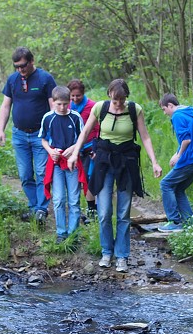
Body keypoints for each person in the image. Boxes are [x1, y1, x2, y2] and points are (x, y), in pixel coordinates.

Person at [67, 79, 162, 273]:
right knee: (103, 213)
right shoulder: (100, 108)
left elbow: (145, 136)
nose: (117, 104)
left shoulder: (135, 110)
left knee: (123, 213)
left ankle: (122, 256)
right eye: (114, 100)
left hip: (126, 161)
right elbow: (85, 132)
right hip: (104, 161)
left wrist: (154, 161)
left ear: (126, 97)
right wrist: (75, 153)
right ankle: (106, 252)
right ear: (109, 95)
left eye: (121, 100)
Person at [0, 47, 56, 224]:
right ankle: (34, 207)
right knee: (24, 175)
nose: (20, 70)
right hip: (19, 135)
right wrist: (1, 129)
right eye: (17, 66)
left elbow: (53, 107)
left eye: (23, 65)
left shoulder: (45, 78)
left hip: (40, 136)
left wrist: (53, 132)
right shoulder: (13, 79)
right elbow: (6, 105)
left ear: (31, 61)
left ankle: (41, 210)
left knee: (41, 172)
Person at [39, 86, 87, 243]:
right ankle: (61, 233)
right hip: (56, 163)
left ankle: (73, 235)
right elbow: (43, 139)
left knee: (73, 199)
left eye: (66, 104)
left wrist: (73, 149)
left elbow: (82, 137)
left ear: (70, 102)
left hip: (72, 162)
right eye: (59, 104)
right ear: (53, 102)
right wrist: (50, 151)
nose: (62, 107)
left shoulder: (75, 117)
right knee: (59, 199)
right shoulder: (48, 117)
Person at [157, 93, 193, 232]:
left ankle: (174, 221)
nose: (164, 113)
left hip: (192, 158)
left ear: (170, 105)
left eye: (164, 109)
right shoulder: (187, 113)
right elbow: (188, 138)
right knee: (178, 188)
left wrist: (179, 155)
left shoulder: (177, 116)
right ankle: (190, 222)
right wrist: (177, 152)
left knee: (166, 184)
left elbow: (186, 140)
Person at [67, 79, 100, 219]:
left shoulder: (92, 106)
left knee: (89, 178)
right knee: (75, 180)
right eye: (72, 96)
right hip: (71, 150)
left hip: (89, 148)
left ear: (83, 93)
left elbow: (98, 129)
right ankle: (76, 210)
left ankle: (92, 210)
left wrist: (97, 148)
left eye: (78, 96)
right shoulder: (67, 106)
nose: (75, 99)